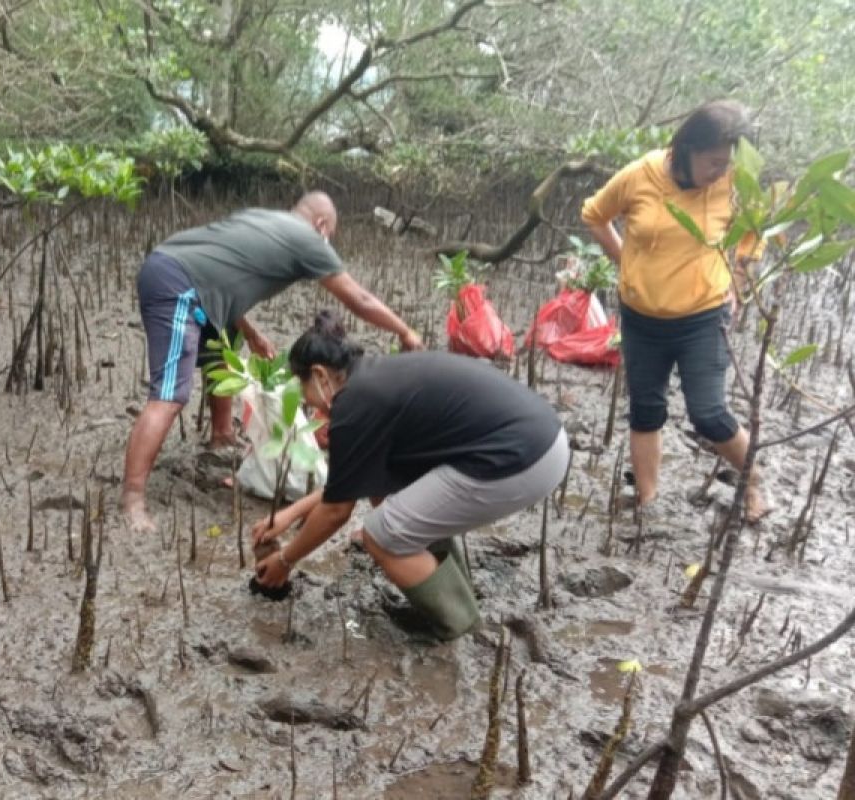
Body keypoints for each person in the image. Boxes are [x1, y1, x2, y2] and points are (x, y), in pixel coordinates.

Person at [252, 312, 568, 640]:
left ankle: (459, 627)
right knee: (385, 497)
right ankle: (456, 596)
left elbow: (336, 512)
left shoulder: (354, 405)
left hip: (522, 459)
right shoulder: (374, 380)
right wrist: (291, 514)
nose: (305, 400)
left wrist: (285, 561)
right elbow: (347, 485)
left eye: (302, 387)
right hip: (544, 438)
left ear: (319, 374)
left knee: (381, 535)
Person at [122, 192, 424, 533]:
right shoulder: (308, 238)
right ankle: (133, 500)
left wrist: (250, 332)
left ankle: (221, 435)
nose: (328, 243)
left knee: (224, 354)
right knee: (170, 395)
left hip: (183, 273)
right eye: (330, 236)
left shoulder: (260, 218)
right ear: (321, 225)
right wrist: (406, 332)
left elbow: (224, 275)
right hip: (178, 283)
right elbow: (360, 298)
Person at [581, 100, 768, 522]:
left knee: (708, 412)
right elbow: (594, 215)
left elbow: (752, 239)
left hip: (702, 316)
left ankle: (754, 482)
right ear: (688, 148)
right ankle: (648, 500)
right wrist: (625, 262)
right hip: (641, 317)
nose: (721, 171)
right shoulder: (642, 173)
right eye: (714, 162)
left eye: (728, 163)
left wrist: (736, 286)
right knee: (645, 408)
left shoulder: (737, 184)